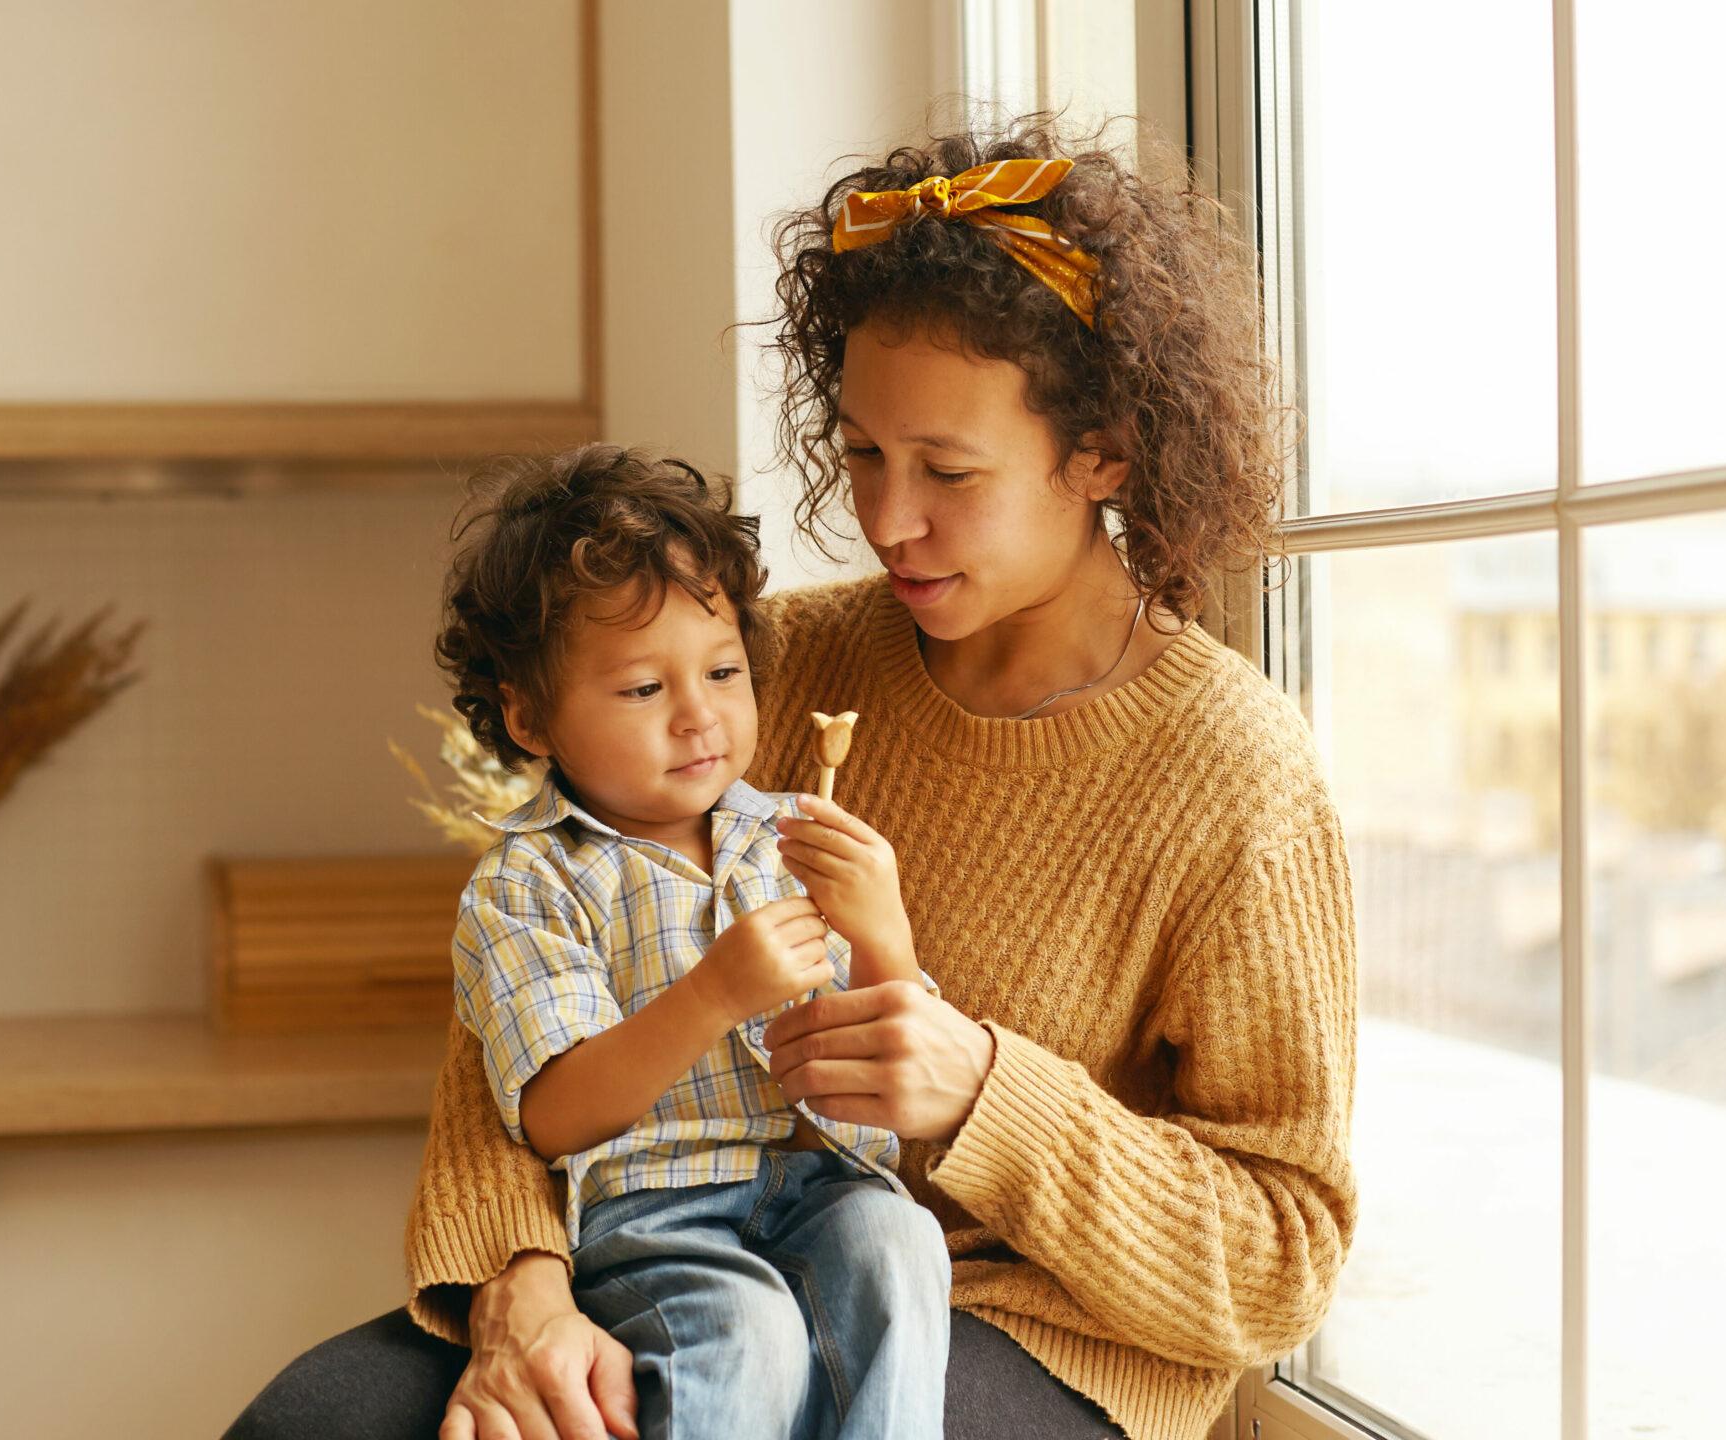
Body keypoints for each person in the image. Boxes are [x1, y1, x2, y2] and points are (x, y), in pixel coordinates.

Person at [227, 114, 1357, 1440]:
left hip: (1033, 1332)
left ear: (1100, 451)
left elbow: (1285, 1251)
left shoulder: (1237, 773)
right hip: (674, 1248)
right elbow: (526, 1009)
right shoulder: (768, 669)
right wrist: (523, 1281)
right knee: (316, 1423)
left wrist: (991, 1091)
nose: (887, 519)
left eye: (947, 470)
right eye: (865, 453)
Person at [439, 446, 951, 1440]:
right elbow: (549, 1114)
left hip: (818, 1184)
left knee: (898, 1244)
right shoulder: (527, 885)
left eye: (723, 672)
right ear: (529, 716)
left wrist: (884, 936)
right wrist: (712, 996)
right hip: (654, 1218)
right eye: (641, 691)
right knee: (748, 1331)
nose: (698, 716)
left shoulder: (795, 835)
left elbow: (892, 1090)